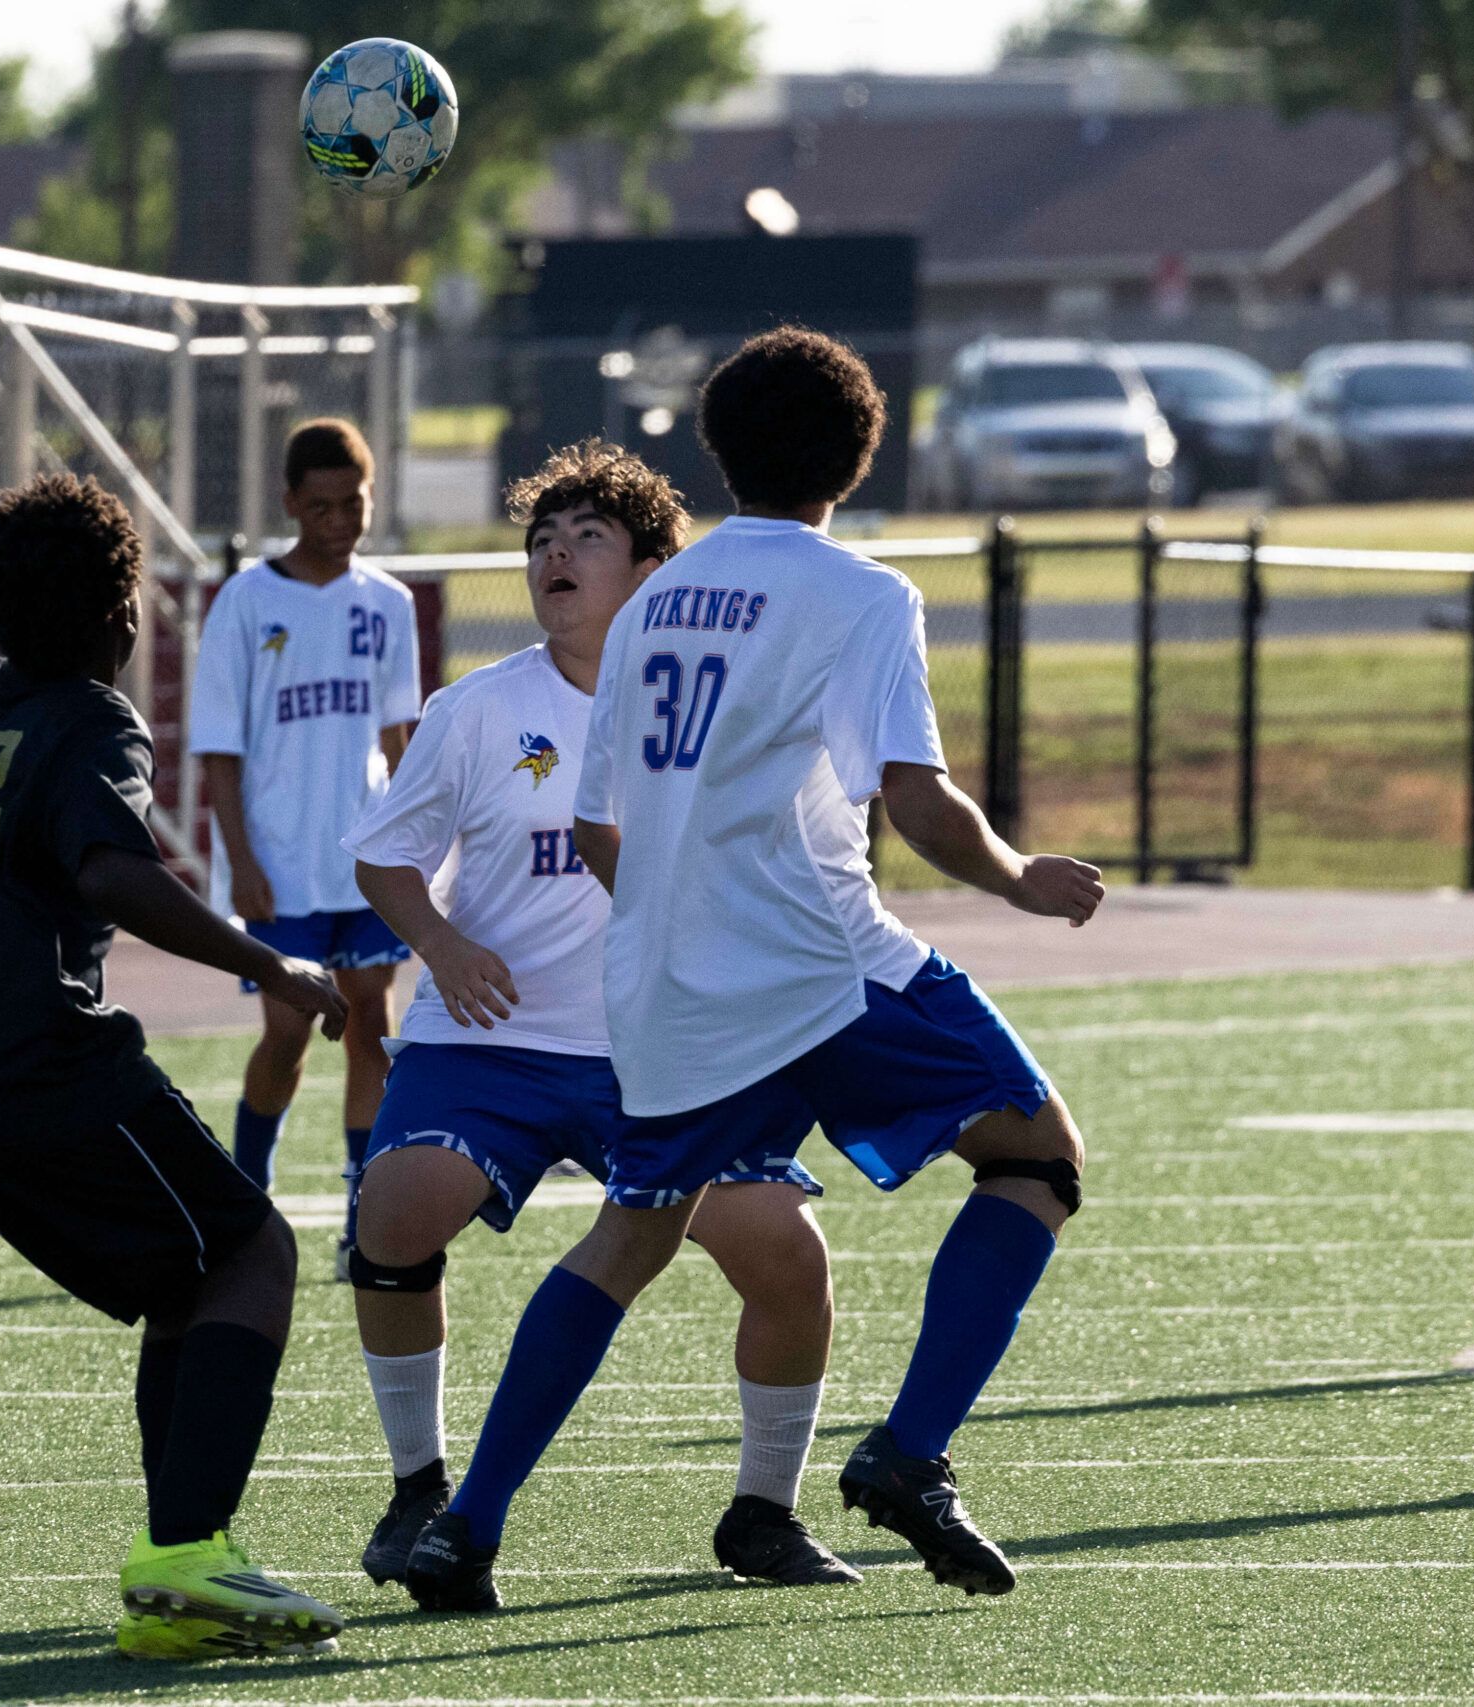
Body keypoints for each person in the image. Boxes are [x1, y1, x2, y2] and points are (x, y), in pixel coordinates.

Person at [404, 329, 1106, 1612]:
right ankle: (909, 1453)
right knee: (1038, 1157)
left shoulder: (653, 603)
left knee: (629, 1238)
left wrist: (683, 918)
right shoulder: (863, 593)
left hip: (672, 986)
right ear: (859, 454)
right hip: (822, 966)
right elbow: (915, 798)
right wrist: (1017, 876)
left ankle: (466, 1528)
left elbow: (597, 826)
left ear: (718, 451)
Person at [0, 473, 352, 1660]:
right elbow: (111, 870)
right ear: (121, 612)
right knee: (254, 1251)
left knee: (184, 1280)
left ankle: (178, 1581)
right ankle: (188, 1555)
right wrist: (270, 962)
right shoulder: (95, 720)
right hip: (41, 1063)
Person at [344, 441, 856, 1598]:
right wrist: (442, 944)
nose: (556, 557)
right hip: (494, 1043)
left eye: (586, 537)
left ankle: (763, 1513)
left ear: (652, 573)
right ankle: (419, 1490)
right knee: (394, 1211)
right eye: (541, 539)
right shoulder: (479, 709)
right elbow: (384, 857)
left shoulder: (719, 707)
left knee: (788, 1254)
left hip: (666, 1050)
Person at [192, 418, 422, 1278]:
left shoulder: (389, 604)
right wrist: (240, 860)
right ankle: (247, 1195)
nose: (338, 520)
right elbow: (219, 748)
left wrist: (413, 843)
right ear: (290, 502)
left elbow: (399, 738)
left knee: (371, 1026)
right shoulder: (246, 601)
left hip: (365, 861)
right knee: (288, 1033)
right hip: (280, 864)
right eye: (320, 505)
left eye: (352, 503)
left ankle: (364, 1213)